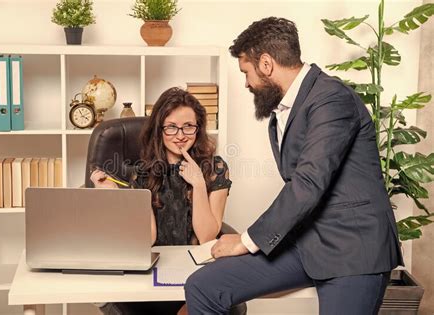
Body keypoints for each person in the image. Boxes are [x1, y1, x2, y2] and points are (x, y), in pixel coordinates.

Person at [184, 17, 403, 315]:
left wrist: (246, 241)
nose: (246, 83)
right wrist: (251, 241)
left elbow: (308, 183)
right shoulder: (282, 112)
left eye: (246, 72)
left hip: (353, 251)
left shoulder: (332, 99)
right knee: (204, 286)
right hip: (306, 245)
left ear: (266, 63)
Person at [91, 87, 233, 315]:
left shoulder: (215, 169)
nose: (180, 135)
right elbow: (149, 237)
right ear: (159, 129)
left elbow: (207, 236)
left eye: (189, 126)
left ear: (198, 128)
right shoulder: (143, 172)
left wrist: (197, 184)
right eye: (171, 127)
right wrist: (117, 195)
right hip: (157, 270)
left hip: (196, 271)